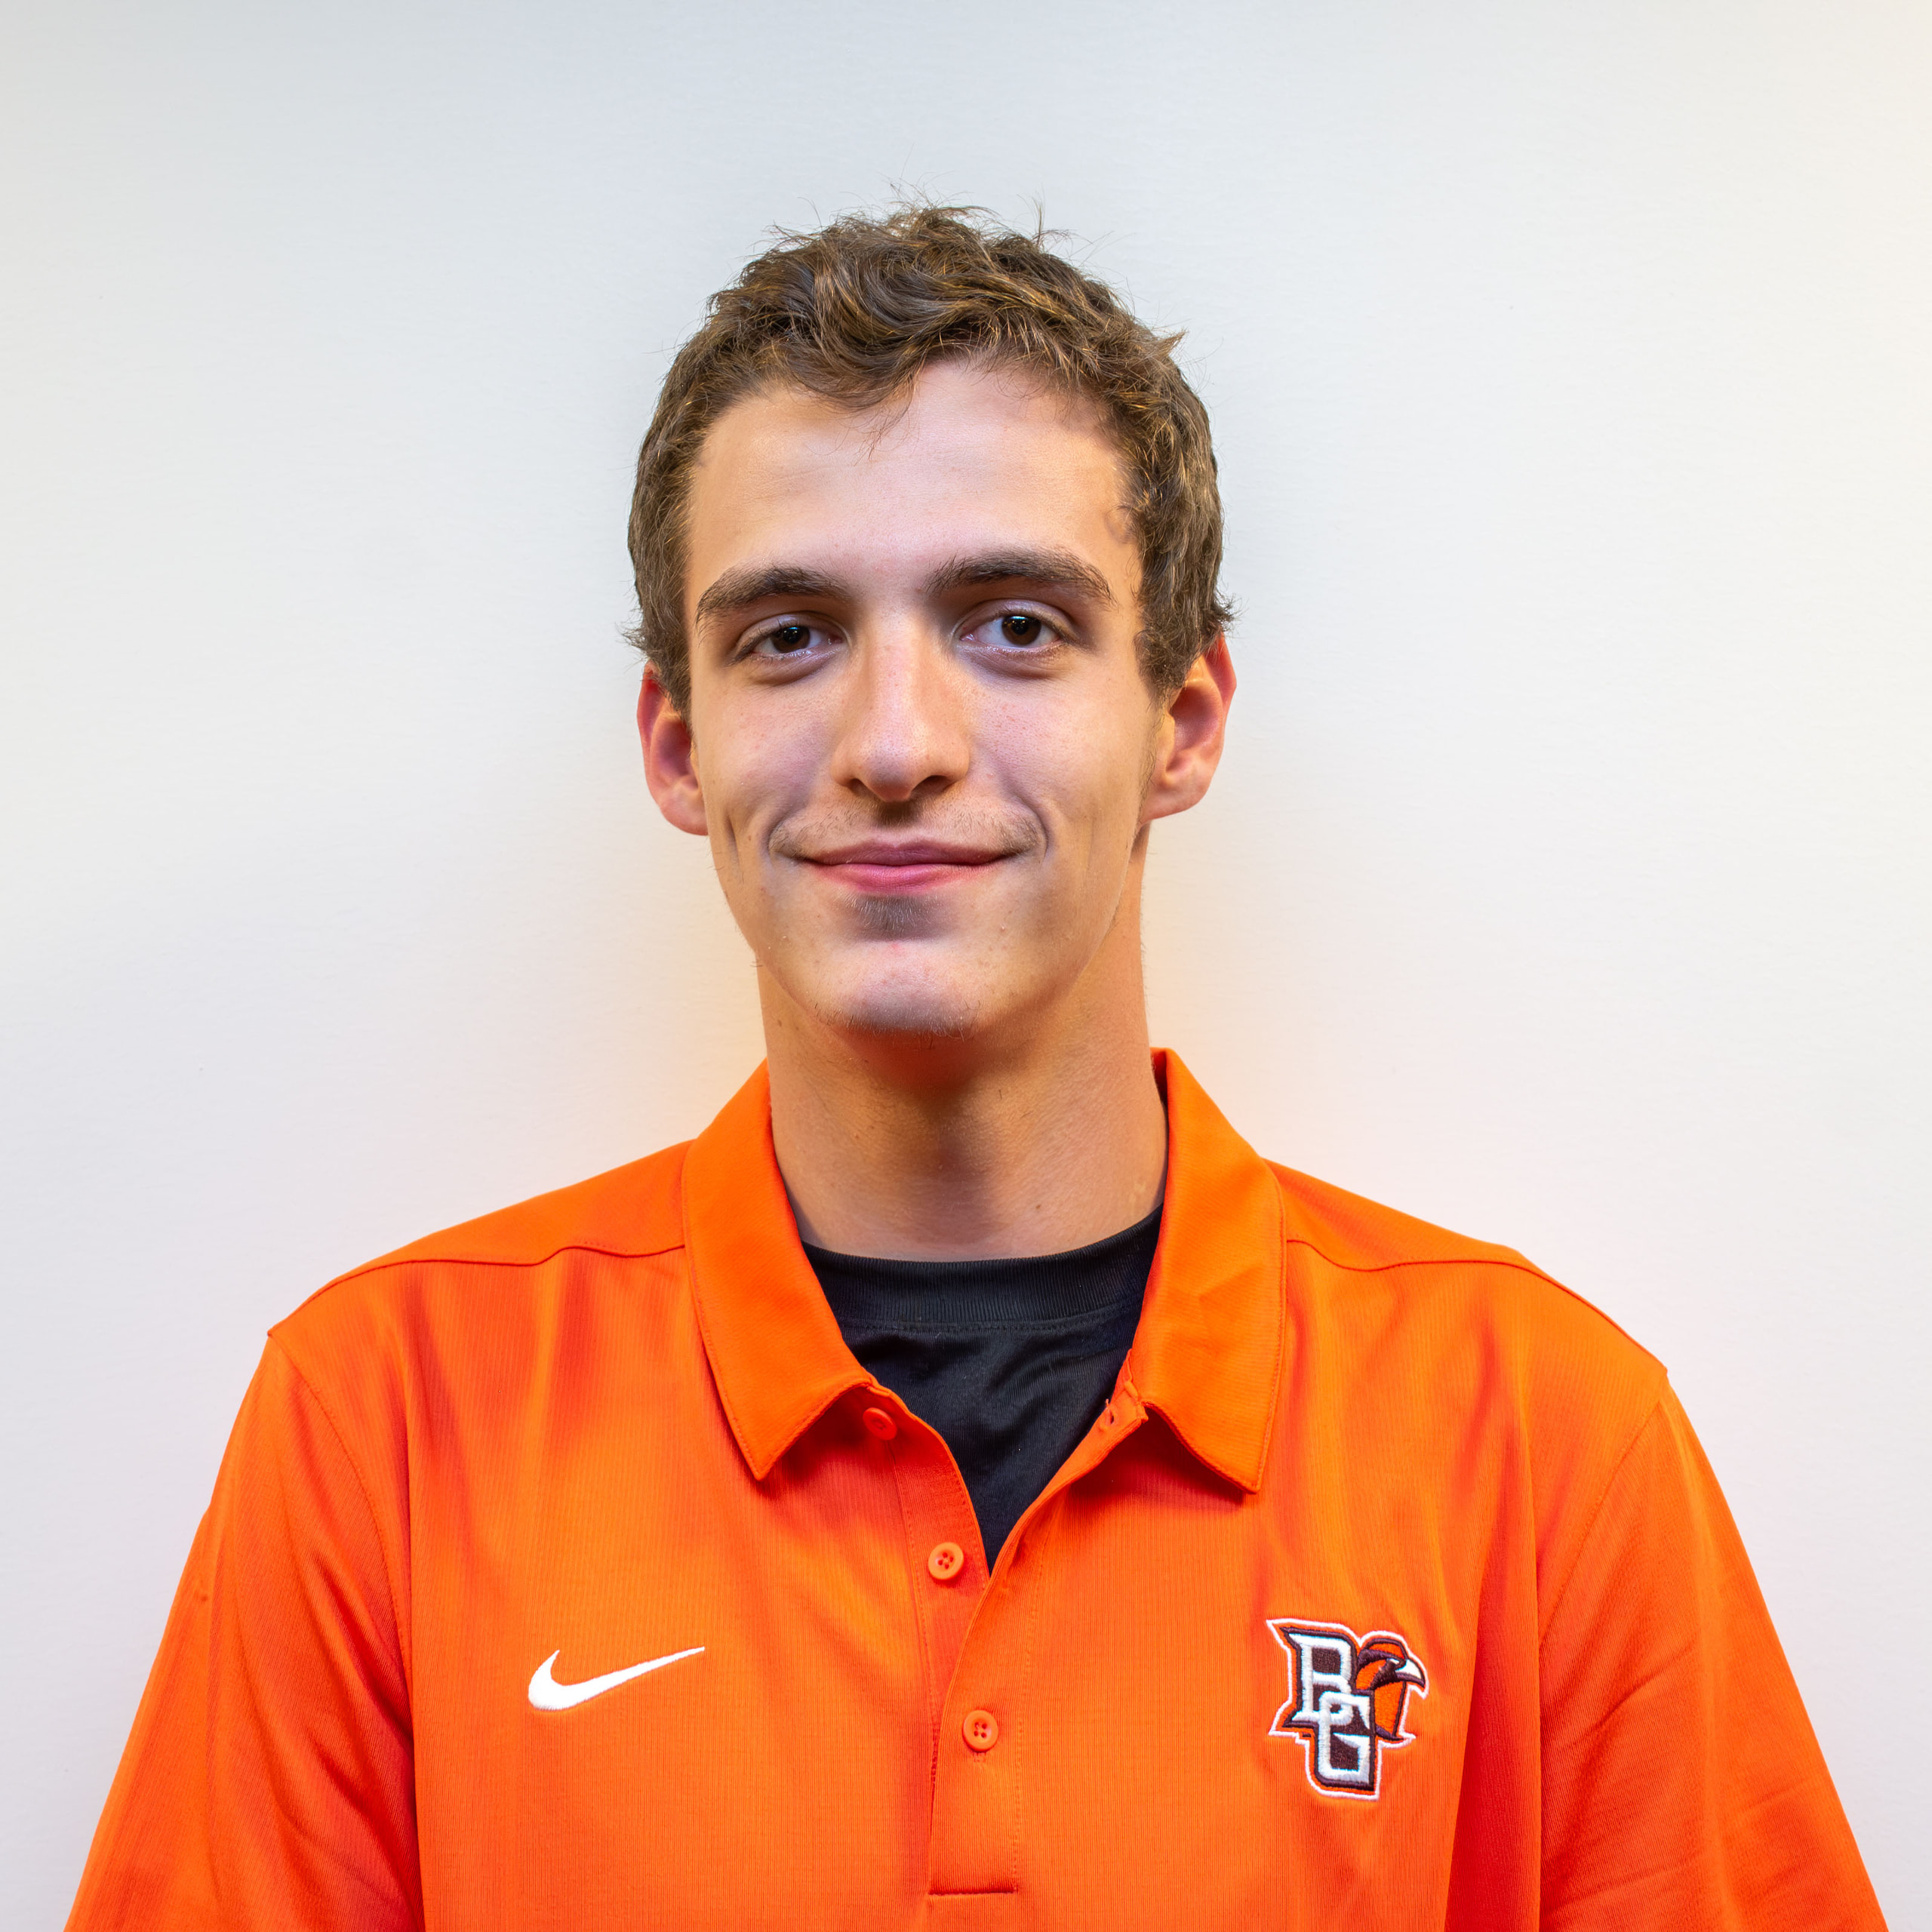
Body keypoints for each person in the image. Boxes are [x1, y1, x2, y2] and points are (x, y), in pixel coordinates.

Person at [66, 206, 1884, 1931]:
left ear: (1180, 721)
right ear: (679, 744)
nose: (895, 742)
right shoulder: (386, 1422)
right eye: (789, 635)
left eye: (1013, 622)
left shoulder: (1538, 1435)